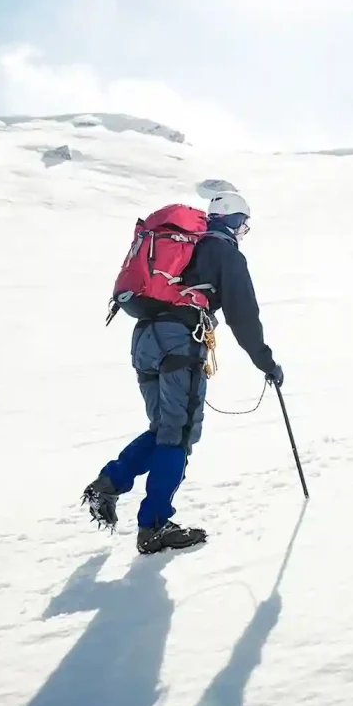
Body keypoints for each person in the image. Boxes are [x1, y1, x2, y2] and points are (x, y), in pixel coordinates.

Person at [83, 192, 282, 555]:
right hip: (179, 341)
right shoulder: (224, 251)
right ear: (233, 221)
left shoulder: (184, 245)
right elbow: (243, 315)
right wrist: (266, 362)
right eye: (243, 225)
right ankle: (154, 526)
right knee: (178, 435)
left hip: (144, 338)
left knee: (164, 429)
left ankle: (110, 482)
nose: (243, 232)